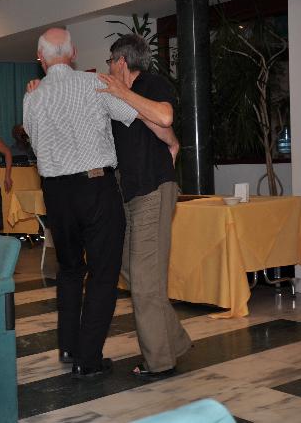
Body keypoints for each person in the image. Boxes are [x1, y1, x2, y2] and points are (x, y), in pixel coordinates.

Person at [23, 28, 173, 379]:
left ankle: (68, 346)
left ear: (40, 58)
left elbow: (33, 137)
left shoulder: (33, 97)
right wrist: (171, 140)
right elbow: (137, 114)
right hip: (95, 187)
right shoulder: (95, 84)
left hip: (55, 193)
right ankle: (87, 359)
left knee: (69, 269)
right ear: (74, 52)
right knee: (103, 273)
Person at [104, 34, 191, 377]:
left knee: (144, 282)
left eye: (111, 61)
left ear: (122, 61)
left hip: (153, 187)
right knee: (130, 268)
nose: (109, 68)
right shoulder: (124, 96)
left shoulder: (150, 83)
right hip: (130, 193)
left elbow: (165, 117)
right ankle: (175, 340)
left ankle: (159, 361)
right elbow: (162, 130)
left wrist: (122, 92)